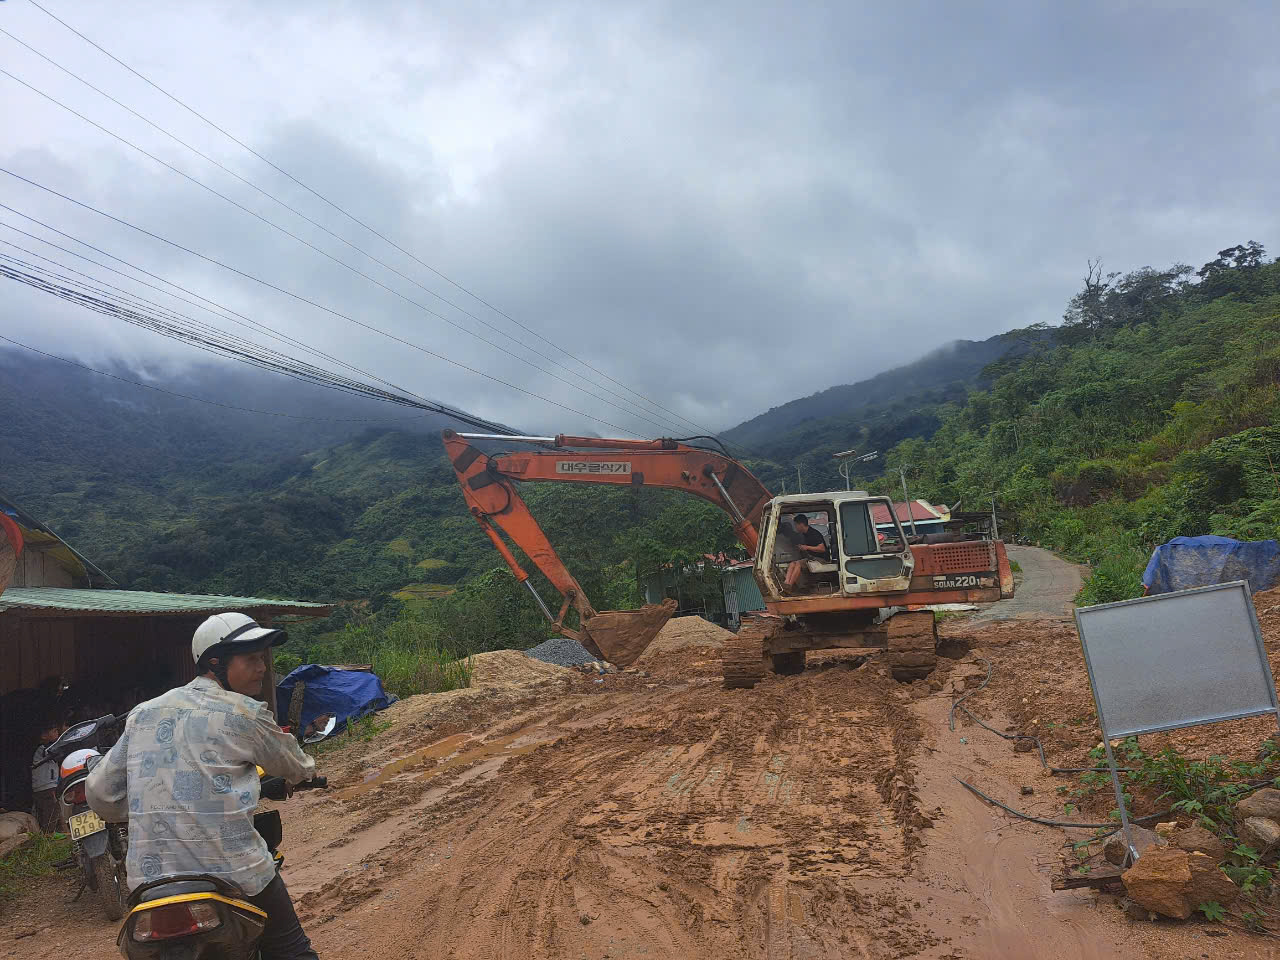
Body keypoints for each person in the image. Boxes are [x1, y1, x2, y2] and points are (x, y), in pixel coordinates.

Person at [87, 613, 319, 960]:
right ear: (216, 662)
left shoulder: (143, 713)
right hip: (235, 872)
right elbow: (297, 767)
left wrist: (151, 803)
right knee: (291, 950)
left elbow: (100, 795)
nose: (262, 668)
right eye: (251, 658)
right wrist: (305, 774)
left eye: (262, 658)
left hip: (150, 884)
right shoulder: (245, 713)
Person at [31, 719, 64, 832]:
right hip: (46, 786)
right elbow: (56, 752)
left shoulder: (46, 749)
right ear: (44, 736)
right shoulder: (43, 749)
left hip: (46, 786)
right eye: (54, 731)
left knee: (53, 810)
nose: (57, 733)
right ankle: (49, 835)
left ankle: (55, 833)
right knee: (50, 812)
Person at [784, 514, 831, 591]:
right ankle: (786, 583)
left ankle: (790, 585)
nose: (795, 527)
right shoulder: (804, 534)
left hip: (821, 559)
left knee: (798, 564)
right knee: (792, 563)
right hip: (812, 558)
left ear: (801, 524)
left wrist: (806, 547)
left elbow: (822, 549)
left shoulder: (814, 533)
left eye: (796, 525)